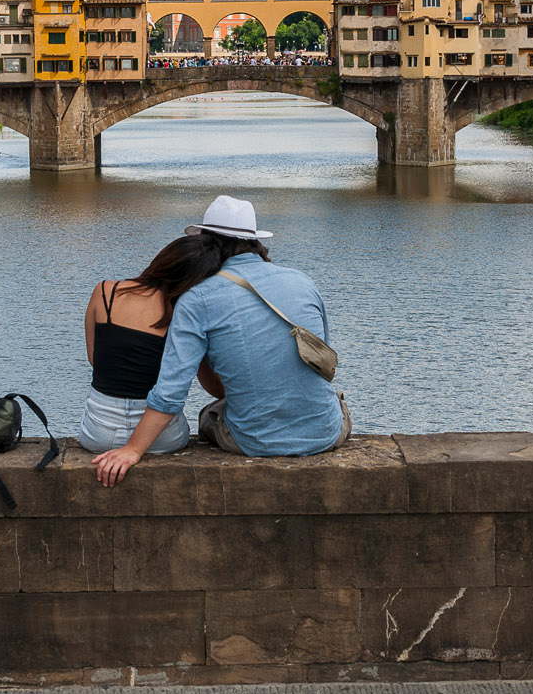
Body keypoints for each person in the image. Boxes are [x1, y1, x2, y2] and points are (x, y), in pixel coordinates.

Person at [92, 196, 348, 487]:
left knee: (208, 416)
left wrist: (133, 450)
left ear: (205, 244)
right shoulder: (304, 281)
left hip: (255, 442)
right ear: (255, 242)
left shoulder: (197, 299)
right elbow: (319, 361)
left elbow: (171, 395)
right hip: (326, 432)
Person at [75, 235, 225, 456]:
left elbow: (95, 359)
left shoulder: (105, 292)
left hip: (97, 434)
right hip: (162, 438)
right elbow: (213, 387)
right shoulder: (186, 316)